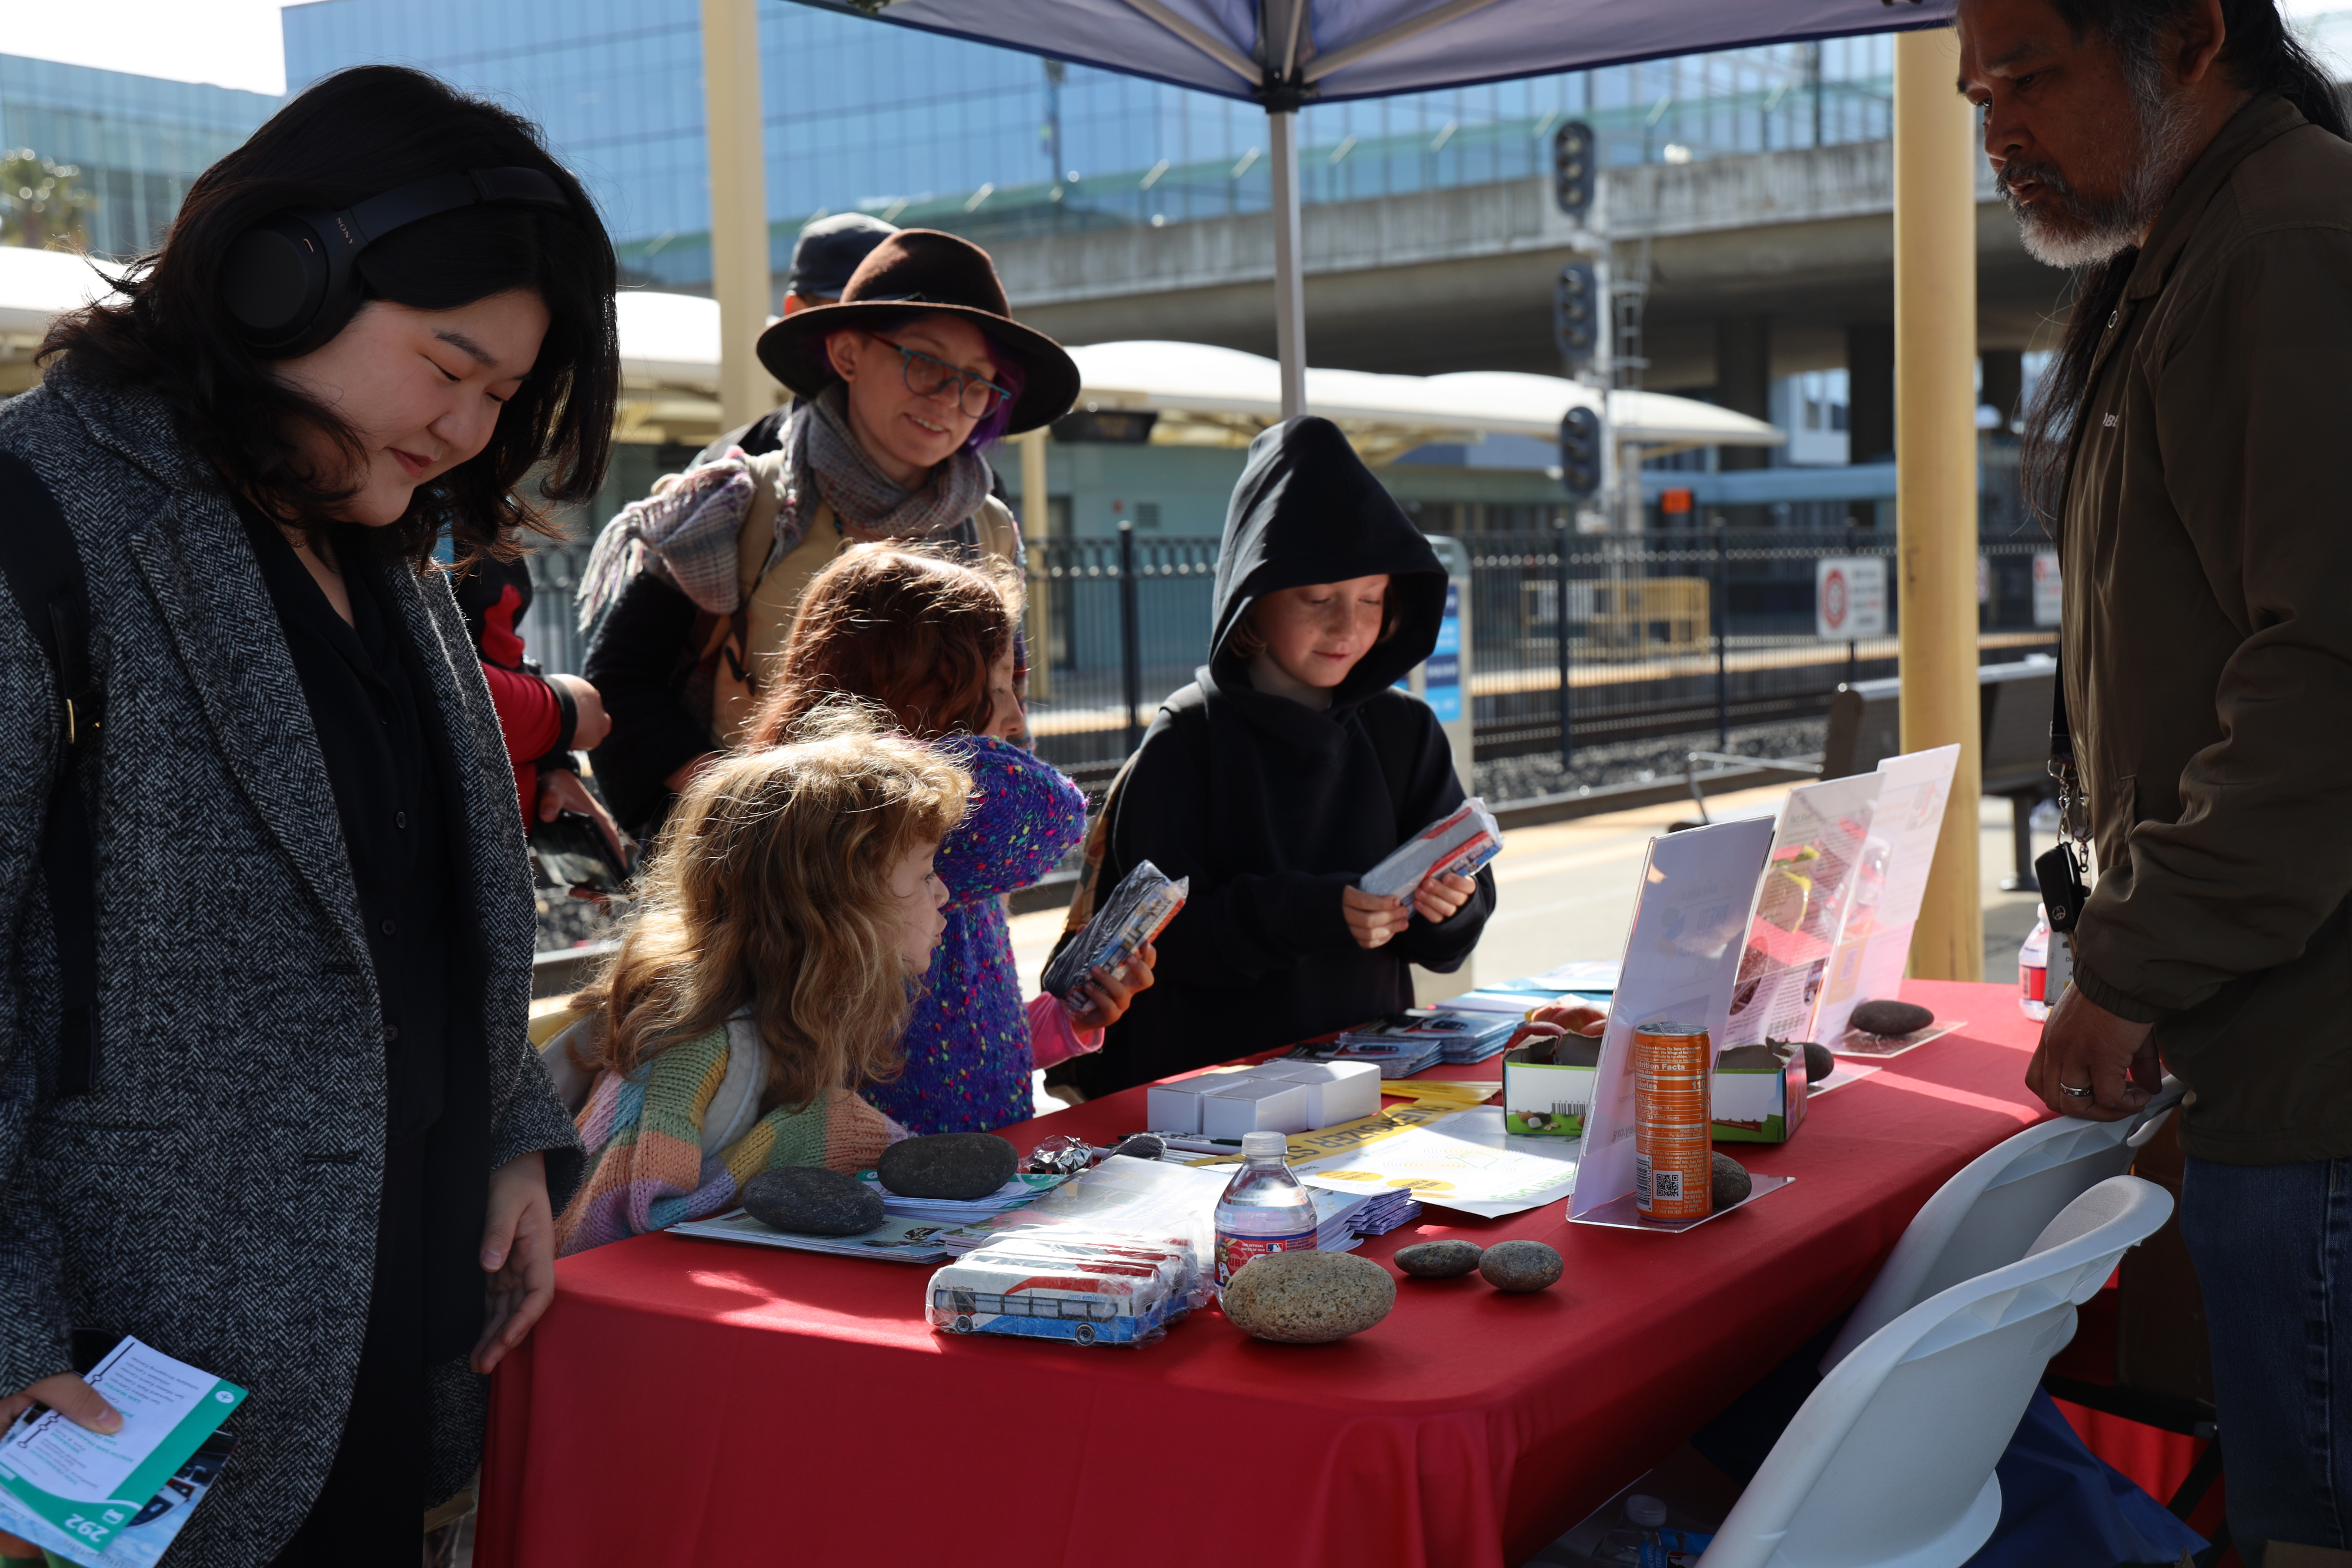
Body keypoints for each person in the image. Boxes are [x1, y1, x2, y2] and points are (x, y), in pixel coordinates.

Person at [0, 65, 616, 1566]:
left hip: (388, 1360)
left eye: (499, 398)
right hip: (102, 1392)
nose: (468, 430)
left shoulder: (386, 557)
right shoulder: (37, 517)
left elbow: (422, 919)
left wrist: (515, 1140)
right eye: (448, 365)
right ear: (282, 273)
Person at [1961, 0, 2352, 1555]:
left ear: (2192, 35)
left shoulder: (2281, 243)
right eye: (1981, 93)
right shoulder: (2199, 249)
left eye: (2034, 78)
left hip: (2316, 1076)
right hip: (2276, 1050)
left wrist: (2132, 967)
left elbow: (2326, 680)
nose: (1998, 131)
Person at [578, 229, 1079, 842]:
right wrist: (749, 815)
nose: (951, 399)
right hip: (757, 873)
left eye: (978, 383)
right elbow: (621, 679)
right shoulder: (738, 503)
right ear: (846, 355)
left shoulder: (988, 526)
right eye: (926, 362)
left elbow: (1008, 713)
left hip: (930, 875)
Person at [1053, 417, 1496, 1098]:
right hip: (1212, 1086)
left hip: (1369, 1072)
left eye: (1372, 599)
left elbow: (1450, 943)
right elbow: (1161, 938)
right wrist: (1318, 911)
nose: (1347, 625)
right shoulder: (1186, 737)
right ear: (1250, 606)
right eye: (1317, 599)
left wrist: (1452, 906)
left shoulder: (1405, 729)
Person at [748, 544, 1153, 1134]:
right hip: (890, 1183)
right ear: (920, 697)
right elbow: (1052, 810)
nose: (1016, 718)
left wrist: (1065, 1019)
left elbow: (960, 1047)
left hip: (963, 1173)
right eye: (994, 691)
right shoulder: (878, 829)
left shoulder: (943, 849)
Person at [549, 712, 966, 1253]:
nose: (945, 895)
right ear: (836, 909)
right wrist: (803, 1137)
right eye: (926, 873)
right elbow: (605, 1226)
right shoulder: (698, 1046)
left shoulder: (779, 1021)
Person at [452, 551, 624, 863]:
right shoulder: (437, 530)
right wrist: (570, 710)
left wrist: (555, 770)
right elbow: (592, 720)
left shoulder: (475, 519)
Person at [696, 212, 900, 463]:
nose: (869, 335)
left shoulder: (946, 454)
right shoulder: (728, 467)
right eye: (848, 312)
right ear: (796, 311)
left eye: (891, 318)